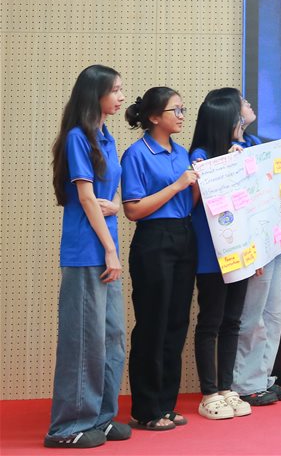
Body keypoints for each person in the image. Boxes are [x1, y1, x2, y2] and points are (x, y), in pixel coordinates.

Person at [44, 66, 130, 449]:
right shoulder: (78, 137)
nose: (121, 97)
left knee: (111, 337)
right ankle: (67, 426)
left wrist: (113, 204)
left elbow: (108, 193)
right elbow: (85, 197)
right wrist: (110, 250)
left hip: (106, 250)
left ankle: (100, 416)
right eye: (115, 90)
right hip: (87, 252)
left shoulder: (106, 137)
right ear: (95, 94)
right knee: (83, 339)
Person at [120, 87, 199, 431]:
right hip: (154, 239)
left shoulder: (181, 153)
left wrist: (196, 184)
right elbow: (133, 210)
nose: (181, 116)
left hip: (184, 234)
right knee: (153, 322)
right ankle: (146, 409)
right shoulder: (136, 154)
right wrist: (178, 185)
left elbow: (187, 203)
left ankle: (166, 404)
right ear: (154, 117)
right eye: (175, 110)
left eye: (183, 109)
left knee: (177, 322)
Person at [230, 89, 281, 406]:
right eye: (243, 102)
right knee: (253, 315)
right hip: (251, 246)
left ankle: (262, 376)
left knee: (273, 313)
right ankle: (245, 382)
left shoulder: (253, 143)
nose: (249, 104)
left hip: (272, 239)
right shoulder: (221, 151)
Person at [188, 89, 257, 420]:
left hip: (240, 253)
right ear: (222, 121)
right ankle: (209, 393)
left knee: (233, 321)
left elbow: (255, 201)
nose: (241, 122)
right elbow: (194, 200)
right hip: (210, 255)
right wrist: (222, 167)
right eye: (237, 117)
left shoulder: (244, 148)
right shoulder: (200, 155)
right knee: (211, 322)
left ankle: (227, 388)